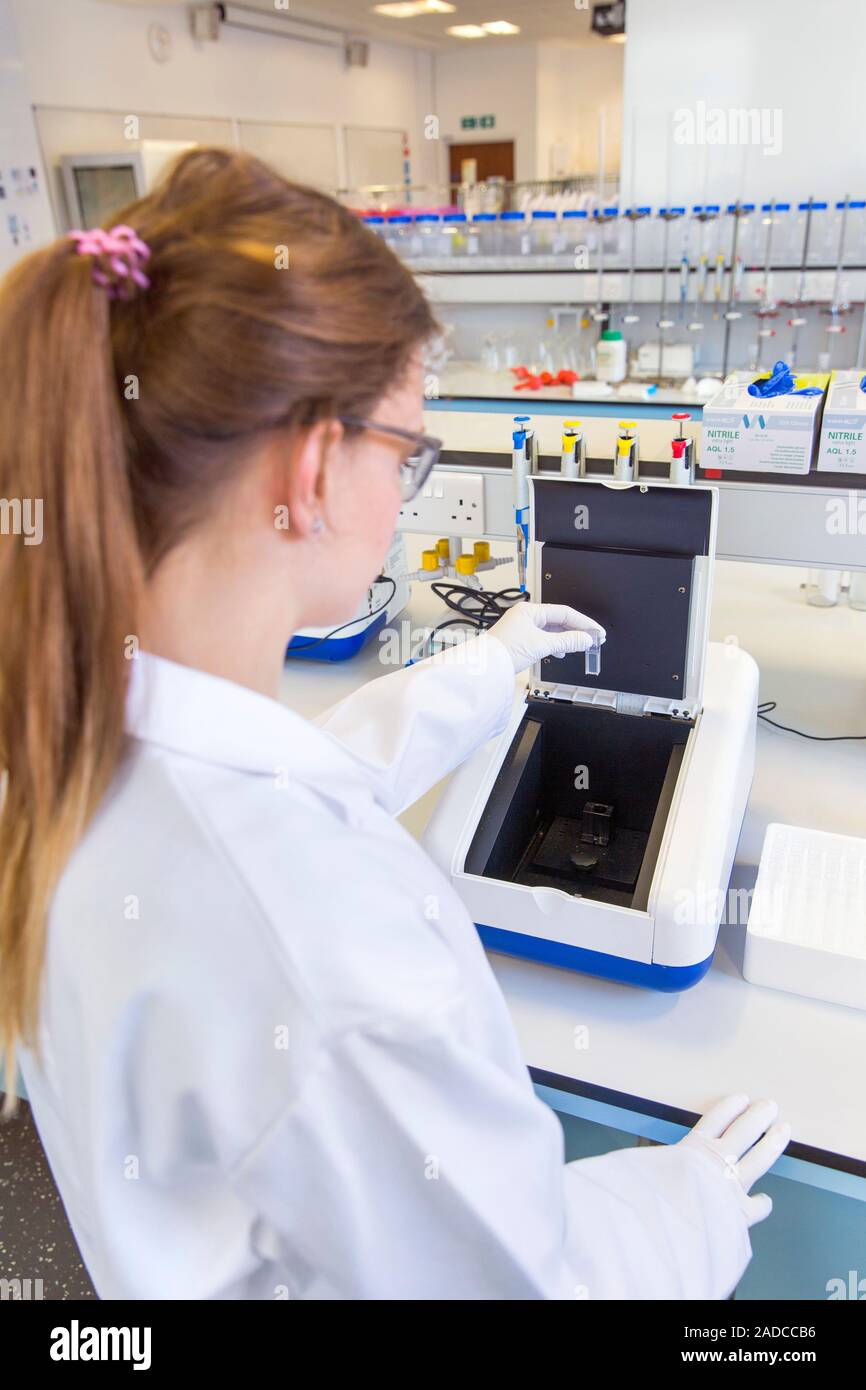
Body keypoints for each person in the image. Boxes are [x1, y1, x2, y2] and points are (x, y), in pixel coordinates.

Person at [0, 149, 788, 1300]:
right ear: (314, 467)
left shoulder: (65, 740)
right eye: (409, 451)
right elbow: (526, 1290)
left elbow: (295, 785)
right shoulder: (327, 952)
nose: (409, 484)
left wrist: (490, 663)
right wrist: (688, 1213)